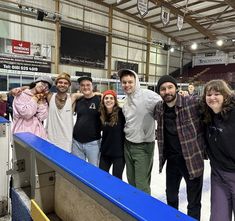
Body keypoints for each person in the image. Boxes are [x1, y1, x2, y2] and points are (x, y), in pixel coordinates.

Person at [154, 75, 206, 220]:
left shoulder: (192, 102)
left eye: (170, 87)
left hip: (192, 160)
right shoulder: (159, 107)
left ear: (176, 88)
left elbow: (212, 104)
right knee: (171, 196)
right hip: (172, 161)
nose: (167, 91)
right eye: (163, 89)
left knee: (193, 202)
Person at [117, 69, 161, 194]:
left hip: (143, 147)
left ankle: (144, 210)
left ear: (136, 81)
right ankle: (134, 208)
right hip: (128, 145)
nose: (127, 85)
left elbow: (166, 104)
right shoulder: (126, 100)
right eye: (124, 82)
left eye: (130, 82)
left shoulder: (148, 95)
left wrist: (182, 96)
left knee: (141, 185)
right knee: (131, 181)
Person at [200, 79, 235, 221]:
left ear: (225, 96)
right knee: (218, 217)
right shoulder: (206, 116)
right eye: (209, 95)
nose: (212, 97)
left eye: (216, 94)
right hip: (218, 175)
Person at [46, 72, 82, 152]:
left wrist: (101, 94)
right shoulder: (50, 96)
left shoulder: (73, 97)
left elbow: (89, 94)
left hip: (67, 142)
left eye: (66, 83)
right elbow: (34, 89)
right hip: (50, 140)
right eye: (60, 82)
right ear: (56, 84)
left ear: (69, 85)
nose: (62, 85)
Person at [72, 76, 101, 166]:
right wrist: (74, 96)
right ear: (80, 87)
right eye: (82, 85)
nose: (85, 87)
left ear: (92, 86)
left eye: (88, 85)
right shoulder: (78, 100)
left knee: (94, 170)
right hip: (77, 142)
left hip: (93, 143)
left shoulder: (99, 100)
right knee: (79, 169)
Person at [99, 90, 125, 179]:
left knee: (117, 179)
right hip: (105, 152)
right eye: (106, 98)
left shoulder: (121, 113)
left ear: (115, 100)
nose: (108, 100)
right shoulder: (101, 114)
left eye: (111, 98)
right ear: (103, 101)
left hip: (119, 154)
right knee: (102, 177)